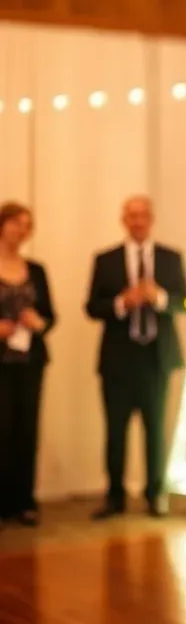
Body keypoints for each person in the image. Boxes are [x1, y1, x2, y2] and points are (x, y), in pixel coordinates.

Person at [85, 196, 186, 519]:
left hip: (155, 358)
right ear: (123, 220)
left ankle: (154, 494)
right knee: (115, 431)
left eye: (142, 215)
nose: (137, 221)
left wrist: (158, 297)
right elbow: (92, 306)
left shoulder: (170, 258)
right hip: (118, 359)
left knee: (155, 430)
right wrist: (122, 302)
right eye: (131, 215)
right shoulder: (106, 259)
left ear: (151, 218)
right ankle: (114, 496)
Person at [0, 202, 56, 527]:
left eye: (27, 225)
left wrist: (39, 322)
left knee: (26, 429)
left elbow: (51, 316)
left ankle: (24, 500)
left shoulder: (36, 269)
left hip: (29, 360)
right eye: (16, 223)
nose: (22, 230)